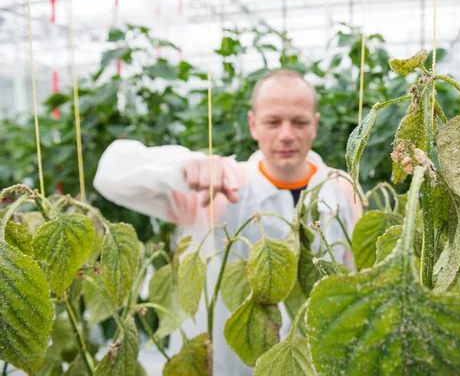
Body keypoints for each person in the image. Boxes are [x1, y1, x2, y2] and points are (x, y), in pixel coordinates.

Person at [93, 69, 363, 375]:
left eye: (299, 122)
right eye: (273, 122)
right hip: (228, 364)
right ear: (253, 124)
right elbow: (110, 176)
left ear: (315, 125)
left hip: (310, 360)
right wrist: (184, 166)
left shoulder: (340, 188)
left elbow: (352, 272)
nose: (286, 134)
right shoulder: (219, 186)